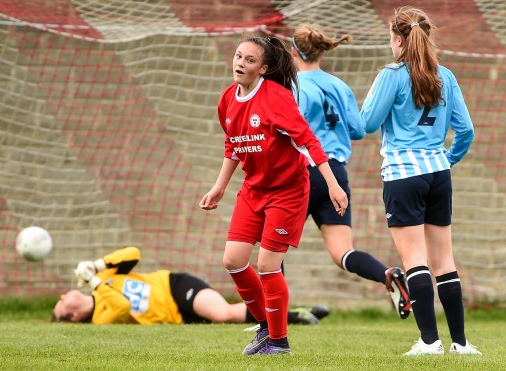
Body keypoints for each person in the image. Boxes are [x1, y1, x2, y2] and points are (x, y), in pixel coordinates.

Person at [199, 35, 348, 355]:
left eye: (249, 60)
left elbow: (308, 141)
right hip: (253, 189)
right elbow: (233, 145)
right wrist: (219, 187)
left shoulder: (277, 98)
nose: (240, 63)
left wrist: (333, 184)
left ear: (263, 69)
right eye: (238, 56)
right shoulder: (227, 99)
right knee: (234, 261)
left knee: (268, 264)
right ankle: (266, 327)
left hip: (288, 191)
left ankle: (279, 342)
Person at [360, 6, 480, 356]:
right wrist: (446, 160)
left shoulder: (392, 74)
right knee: (445, 260)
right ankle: (461, 343)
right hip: (438, 173)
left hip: (403, 175)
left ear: (398, 40)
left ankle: (430, 342)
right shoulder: (446, 75)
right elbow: (466, 131)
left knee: (415, 259)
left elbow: (368, 123)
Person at [290, 23, 412, 319]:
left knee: (272, 249)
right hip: (336, 174)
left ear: (293, 51)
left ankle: (270, 322)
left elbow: (291, 130)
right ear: (321, 51)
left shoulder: (294, 86)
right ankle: (388, 274)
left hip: (303, 172)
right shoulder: (339, 86)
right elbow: (358, 130)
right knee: (342, 252)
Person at [52, 246, 330, 325]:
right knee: (229, 313)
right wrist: (95, 282)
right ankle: (293, 312)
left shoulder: (107, 277)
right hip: (177, 316)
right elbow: (121, 305)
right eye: (62, 303)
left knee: (223, 313)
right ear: (74, 317)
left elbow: (133, 253)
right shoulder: (102, 318)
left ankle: (297, 317)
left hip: (174, 285)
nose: (65, 294)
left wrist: (98, 266)